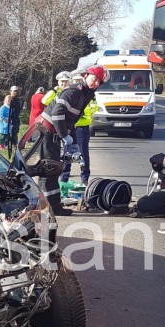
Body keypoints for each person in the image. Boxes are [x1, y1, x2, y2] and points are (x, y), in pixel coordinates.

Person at [22, 65, 108, 216]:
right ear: (86, 75)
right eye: (94, 79)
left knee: (52, 170)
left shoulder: (86, 93)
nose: (96, 83)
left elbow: (71, 119)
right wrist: (64, 135)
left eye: (99, 82)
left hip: (51, 133)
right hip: (46, 132)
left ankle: (51, 206)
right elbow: (57, 113)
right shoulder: (74, 92)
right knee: (49, 170)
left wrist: (72, 140)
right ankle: (50, 208)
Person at [61, 70, 99, 184]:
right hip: (69, 126)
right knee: (67, 153)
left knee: (83, 153)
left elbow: (94, 107)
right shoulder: (70, 92)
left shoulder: (88, 94)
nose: (77, 82)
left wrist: (83, 112)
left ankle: (84, 178)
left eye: (79, 80)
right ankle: (64, 177)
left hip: (82, 126)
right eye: (75, 80)